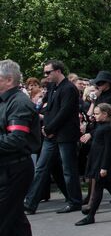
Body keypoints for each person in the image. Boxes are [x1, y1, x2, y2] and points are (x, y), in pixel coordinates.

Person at [0, 60, 41, 236]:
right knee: (15, 225)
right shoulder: (5, 101)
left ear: (8, 80)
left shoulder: (19, 102)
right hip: (6, 169)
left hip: (14, 170)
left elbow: (16, 140)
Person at [24, 60, 82, 214]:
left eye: (48, 72)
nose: (46, 75)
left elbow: (64, 112)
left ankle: (75, 201)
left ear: (58, 71)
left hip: (65, 135)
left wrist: (49, 127)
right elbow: (48, 108)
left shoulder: (69, 88)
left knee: (68, 169)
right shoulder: (52, 88)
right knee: (41, 168)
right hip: (51, 134)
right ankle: (30, 204)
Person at [75, 103, 111, 226]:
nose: (95, 115)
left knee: (99, 187)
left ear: (105, 114)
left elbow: (108, 149)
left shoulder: (108, 129)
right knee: (107, 185)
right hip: (96, 160)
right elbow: (96, 131)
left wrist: (104, 167)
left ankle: (91, 215)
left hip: (101, 162)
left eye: (97, 113)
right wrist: (90, 134)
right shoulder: (101, 126)